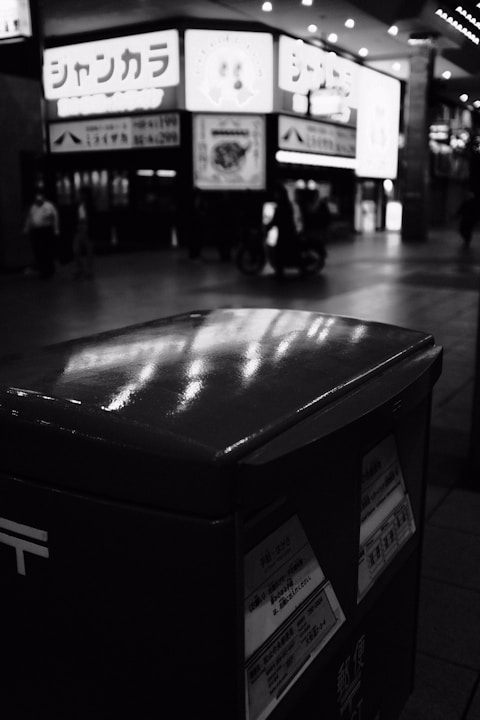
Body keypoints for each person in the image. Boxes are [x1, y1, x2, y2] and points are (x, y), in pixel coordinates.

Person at [23, 185, 60, 279]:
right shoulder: (33, 207)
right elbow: (29, 218)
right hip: (36, 231)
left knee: (46, 251)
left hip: (46, 230)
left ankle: (48, 270)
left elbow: (55, 217)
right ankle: (43, 270)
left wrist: (56, 229)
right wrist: (27, 228)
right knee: (38, 251)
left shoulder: (49, 206)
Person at [264, 183, 297, 277]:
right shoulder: (285, 203)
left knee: (280, 251)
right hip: (287, 230)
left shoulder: (282, 205)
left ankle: (279, 272)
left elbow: (277, 219)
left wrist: (268, 227)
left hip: (285, 232)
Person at [73, 187, 95, 278]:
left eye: (81, 194)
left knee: (89, 251)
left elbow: (93, 218)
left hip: (87, 228)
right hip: (78, 228)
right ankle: (80, 269)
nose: (80, 196)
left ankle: (89, 271)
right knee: (75, 250)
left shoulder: (90, 205)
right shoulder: (77, 205)